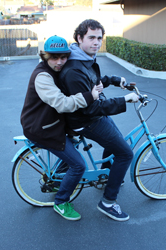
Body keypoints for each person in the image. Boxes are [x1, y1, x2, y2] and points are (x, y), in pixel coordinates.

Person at [59, 19, 139, 221]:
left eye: (99, 38)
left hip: (92, 115)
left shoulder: (84, 59)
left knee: (116, 141)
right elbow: (91, 107)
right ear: (79, 38)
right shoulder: (74, 69)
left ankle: (108, 176)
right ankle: (108, 202)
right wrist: (125, 100)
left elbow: (93, 84)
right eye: (91, 37)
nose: (96, 42)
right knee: (125, 153)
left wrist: (113, 80)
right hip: (86, 120)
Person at [20, 35, 102, 221]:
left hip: (50, 123)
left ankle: (59, 181)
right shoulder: (42, 76)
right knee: (79, 165)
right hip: (42, 128)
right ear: (45, 57)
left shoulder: (57, 71)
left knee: (73, 145)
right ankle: (61, 202)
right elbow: (62, 104)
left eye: (63, 57)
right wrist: (90, 96)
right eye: (54, 58)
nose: (59, 62)